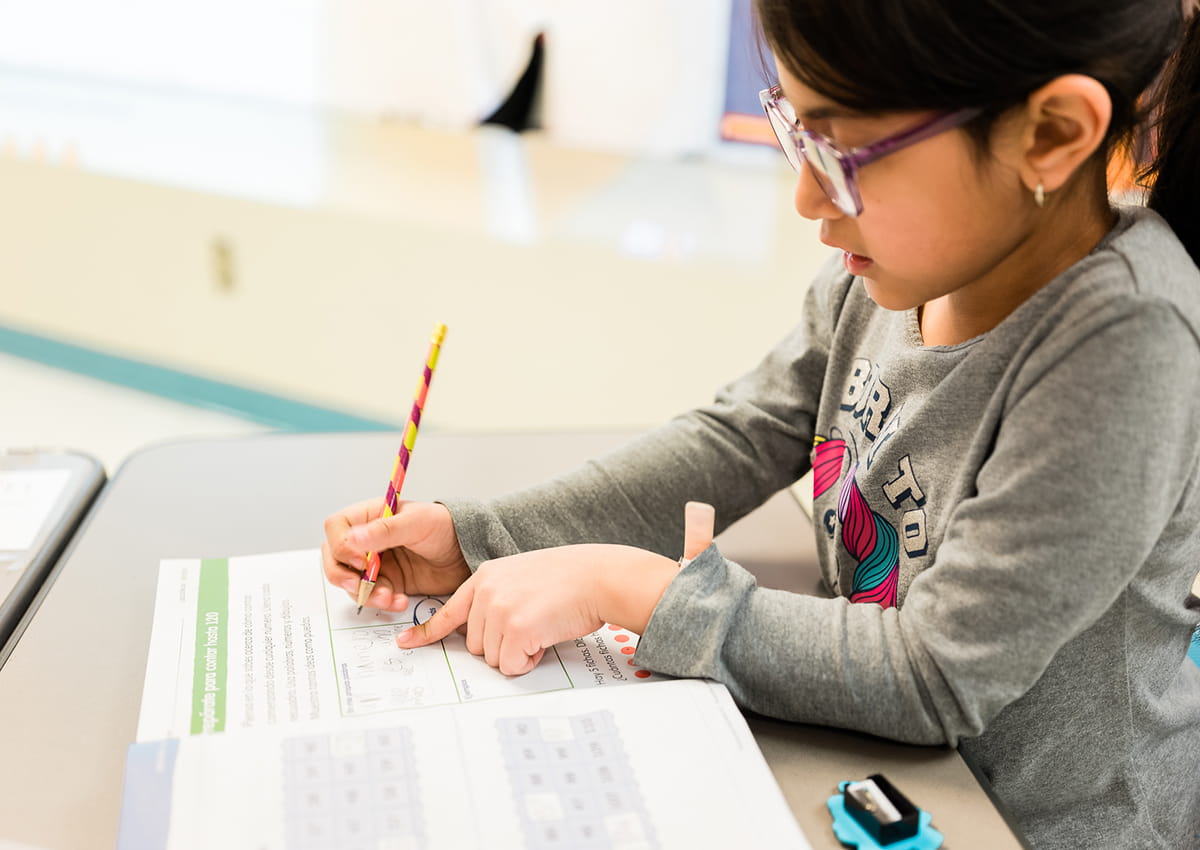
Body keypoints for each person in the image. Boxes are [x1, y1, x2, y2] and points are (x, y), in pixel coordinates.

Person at [323, 2, 1200, 846]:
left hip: (1030, 826)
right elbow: (740, 435)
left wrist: (630, 587)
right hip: (876, 764)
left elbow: (937, 674)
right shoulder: (895, 271)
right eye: (796, 130)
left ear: (1049, 135)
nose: (808, 199)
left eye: (845, 153)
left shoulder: (1127, 343)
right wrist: (482, 538)